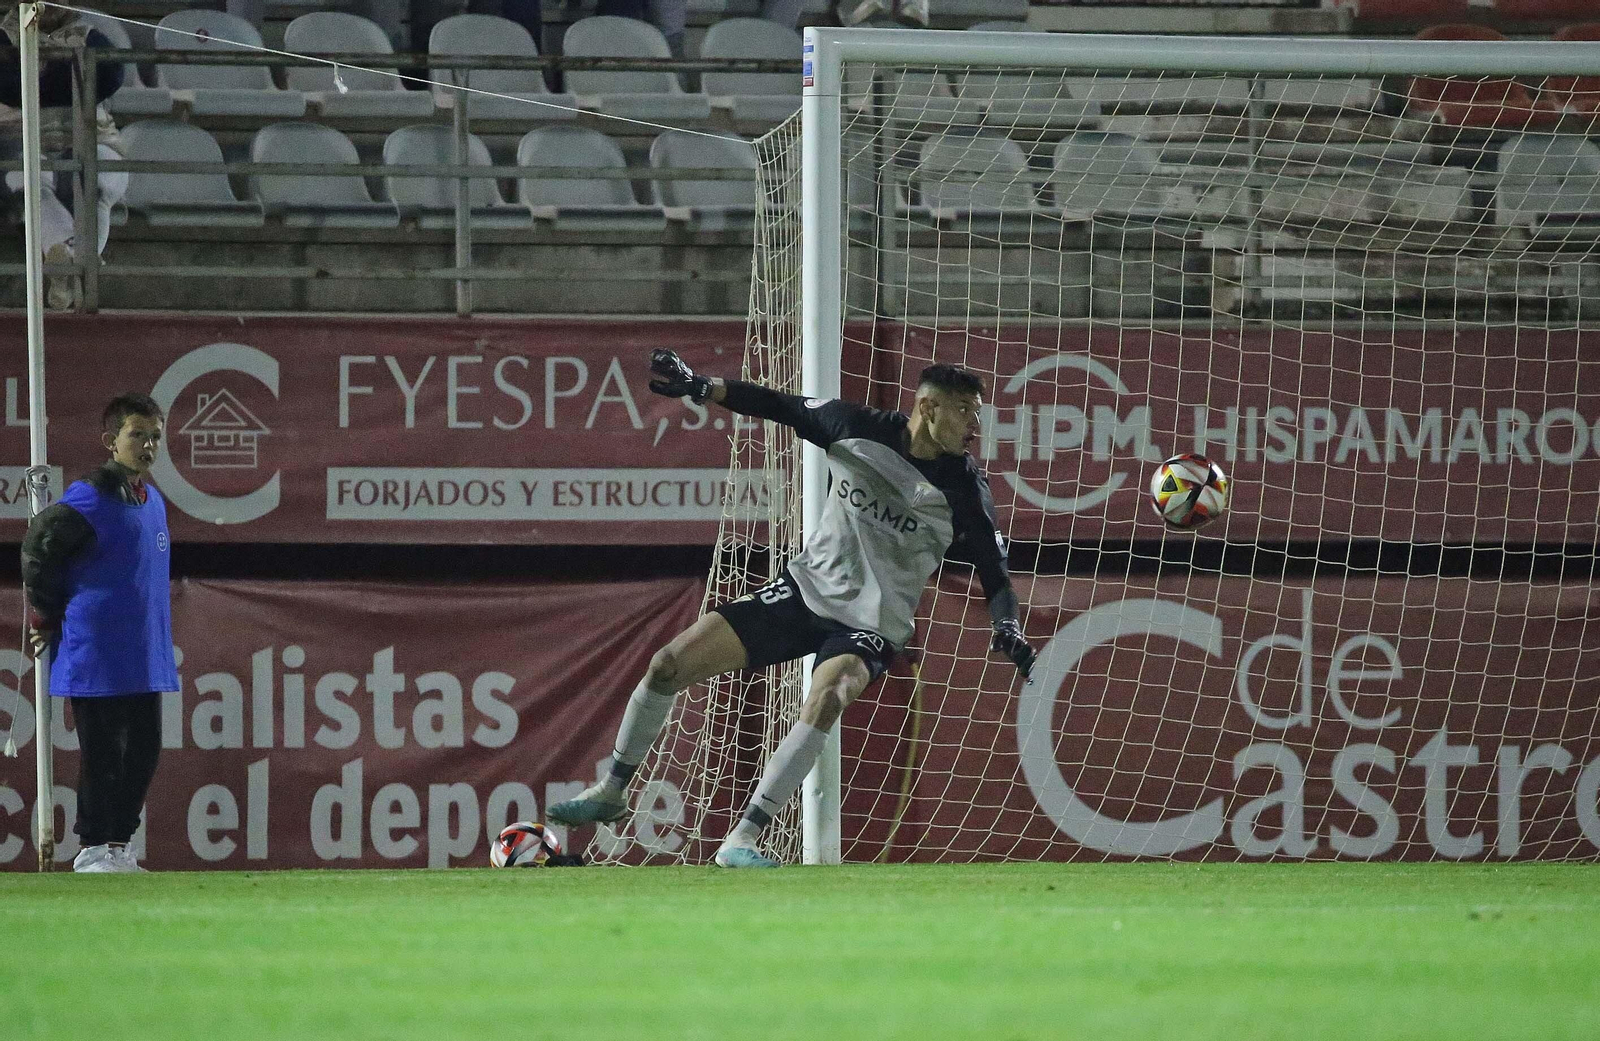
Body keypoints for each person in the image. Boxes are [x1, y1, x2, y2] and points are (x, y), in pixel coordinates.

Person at [549, 351, 1036, 867]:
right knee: (667, 664)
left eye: (977, 413)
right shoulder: (854, 427)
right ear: (928, 408)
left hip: (869, 625)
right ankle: (612, 788)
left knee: (827, 697)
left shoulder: (965, 488)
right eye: (965, 410)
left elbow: (995, 573)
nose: (975, 425)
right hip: (803, 593)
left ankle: (742, 838)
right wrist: (702, 386)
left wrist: (1007, 624)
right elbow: (780, 405)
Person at [22, 393, 177, 874]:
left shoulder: (153, 502)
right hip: (98, 654)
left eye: (155, 436)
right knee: (104, 754)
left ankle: (117, 847)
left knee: (144, 753)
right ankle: (91, 849)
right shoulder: (87, 499)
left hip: (144, 653)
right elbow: (38, 551)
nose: (148, 445)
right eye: (137, 435)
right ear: (111, 442)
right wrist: (45, 617)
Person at [0, 6, 128, 311]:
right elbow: (9, 89)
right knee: (31, 180)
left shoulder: (90, 36)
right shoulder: (3, 37)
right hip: (20, 136)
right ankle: (75, 263)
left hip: (89, 135)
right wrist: (68, 75)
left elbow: (109, 75)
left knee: (98, 179)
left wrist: (34, 76)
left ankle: (67, 266)